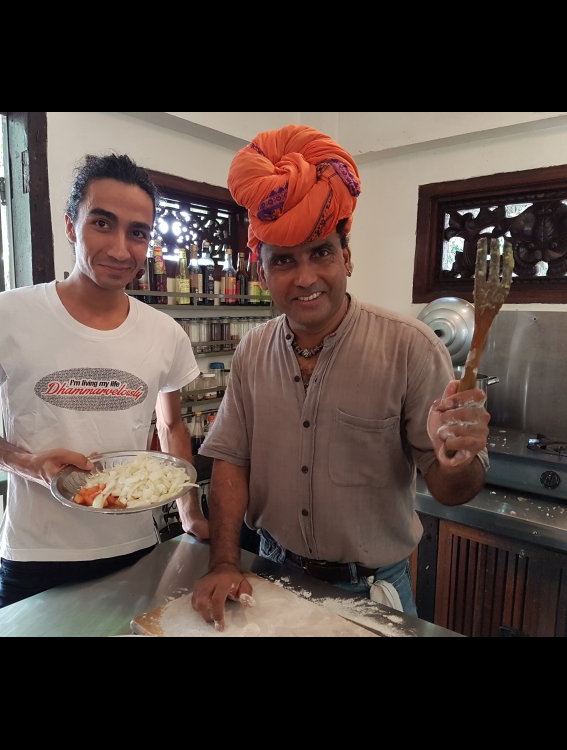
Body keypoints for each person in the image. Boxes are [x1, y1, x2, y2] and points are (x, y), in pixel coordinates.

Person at [191, 125, 490, 630]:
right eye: (284, 261)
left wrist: (456, 456)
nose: (305, 277)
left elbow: (451, 489)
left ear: (346, 257)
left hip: (372, 591)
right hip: (270, 577)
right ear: (262, 274)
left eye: (321, 253)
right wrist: (224, 561)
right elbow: (231, 462)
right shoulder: (252, 352)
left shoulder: (411, 348)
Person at [0, 153, 209, 610]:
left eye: (138, 233)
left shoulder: (165, 333)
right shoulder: (6, 315)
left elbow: (171, 427)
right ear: (71, 225)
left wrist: (190, 513)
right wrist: (30, 464)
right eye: (102, 224)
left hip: (135, 548)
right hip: (37, 555)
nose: (120, 250)